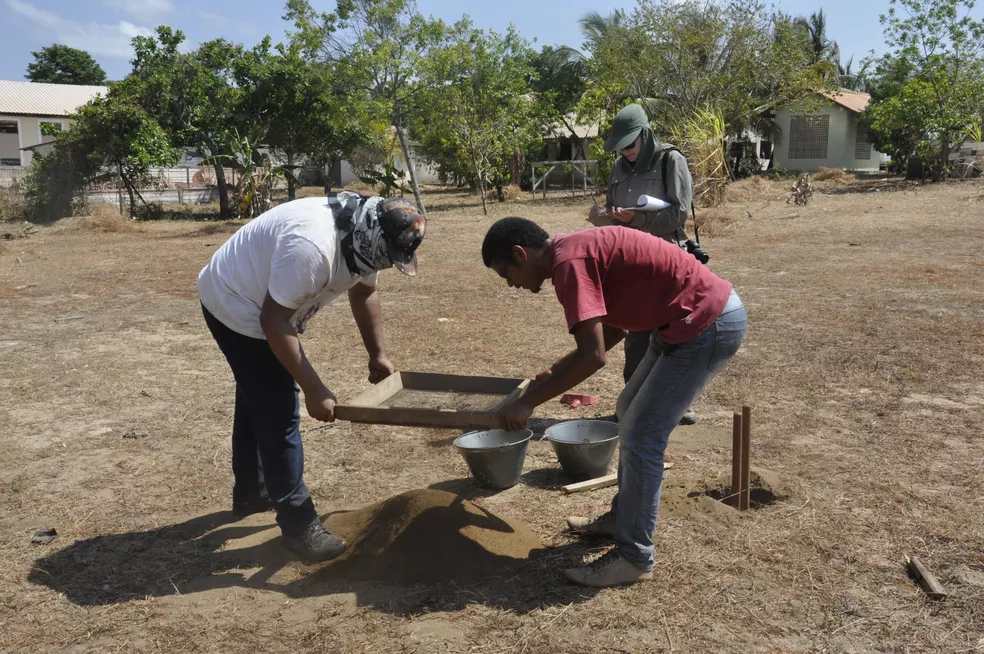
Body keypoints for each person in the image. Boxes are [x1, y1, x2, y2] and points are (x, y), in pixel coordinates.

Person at [481, 217, 746, 588]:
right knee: (627, 411)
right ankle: (622, 519)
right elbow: (614, 329)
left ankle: (635, 557)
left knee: (642, 434)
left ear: (519, 253)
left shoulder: (567, 265)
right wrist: (557, 370)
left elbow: (593, 357)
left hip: (705, 321)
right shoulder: (570, 252)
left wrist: (529, 403)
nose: (511, 284)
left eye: (505, 273)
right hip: (679, 321)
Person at [197, 192, 426, 563]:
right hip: (236, 302)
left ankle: (253, 489)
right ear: (367, 237)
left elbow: (365, 291)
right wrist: (314, 389)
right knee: (278, 409)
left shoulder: (369, 231)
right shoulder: (313, 248)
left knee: (258, 390)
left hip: (260, 298)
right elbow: (273, 321)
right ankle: (299, 525)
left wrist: (377, 354)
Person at [587, 104, 699, 424]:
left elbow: (679, 214)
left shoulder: (671, 161)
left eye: (631, 145)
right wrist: (604, 216)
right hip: (632, 263)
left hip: (667, 261)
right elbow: (611, 207)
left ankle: (679, 405)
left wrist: (638, 218)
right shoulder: (619, 168)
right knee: (637, 337)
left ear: (645, 135)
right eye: (621, 148)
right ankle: (634, 404)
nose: (626, 152)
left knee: (673, 334)